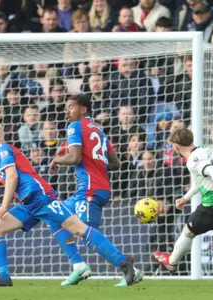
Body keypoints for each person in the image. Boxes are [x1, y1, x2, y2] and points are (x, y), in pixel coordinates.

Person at [0, 124, 140, 287]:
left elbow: (12, 176)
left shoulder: (3, 149)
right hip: (28, 205)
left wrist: (4, 205)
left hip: (41, 199)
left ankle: (123, 261)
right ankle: (4, 277)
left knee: (79, 230)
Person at [49, 95, 143, 287]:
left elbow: (74, 158)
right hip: (95, 187)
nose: (67, 111)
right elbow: (116, 163)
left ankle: (126, 264)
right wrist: (95, 166)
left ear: (83, 110)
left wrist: (57, 159)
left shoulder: (75, 127)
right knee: (53, 214)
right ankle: (78, 265)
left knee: (85, 232)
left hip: (90, 189)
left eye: (71, 107)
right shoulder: (100, 131)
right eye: (66, 107)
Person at [153, 128, 213, 289]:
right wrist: (186, 198)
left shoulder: (193, 159)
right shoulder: (206, 151)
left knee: (188, 231)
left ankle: (172, 262)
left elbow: (211, 170)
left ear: (176, 146)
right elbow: (200, 181)